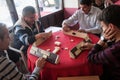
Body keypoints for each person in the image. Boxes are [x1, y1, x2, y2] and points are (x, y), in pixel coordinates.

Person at [82, 5, 120, 80]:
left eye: (102, 26)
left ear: (111, 27)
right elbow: (112, 45)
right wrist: (94, 46)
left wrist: (102, 39)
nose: (102, 30)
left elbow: (91, 58)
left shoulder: (114, 51)